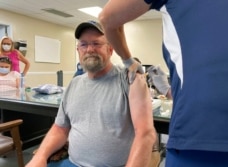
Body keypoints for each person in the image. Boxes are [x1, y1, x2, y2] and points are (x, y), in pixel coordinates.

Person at [99, 1, 228, 167]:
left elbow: (108, 18)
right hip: (198, 140)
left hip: (197, 138)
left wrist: (129, 61)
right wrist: (168, 90)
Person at [26, 20, 156, 167]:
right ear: (78, 50)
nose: (89, 49)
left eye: (96, 43)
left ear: (110, 49)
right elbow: (60, 128)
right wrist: (41, 157)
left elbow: (145, 133)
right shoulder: (74, 84)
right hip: (72, 163)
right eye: (84, 44)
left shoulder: (128, 79)